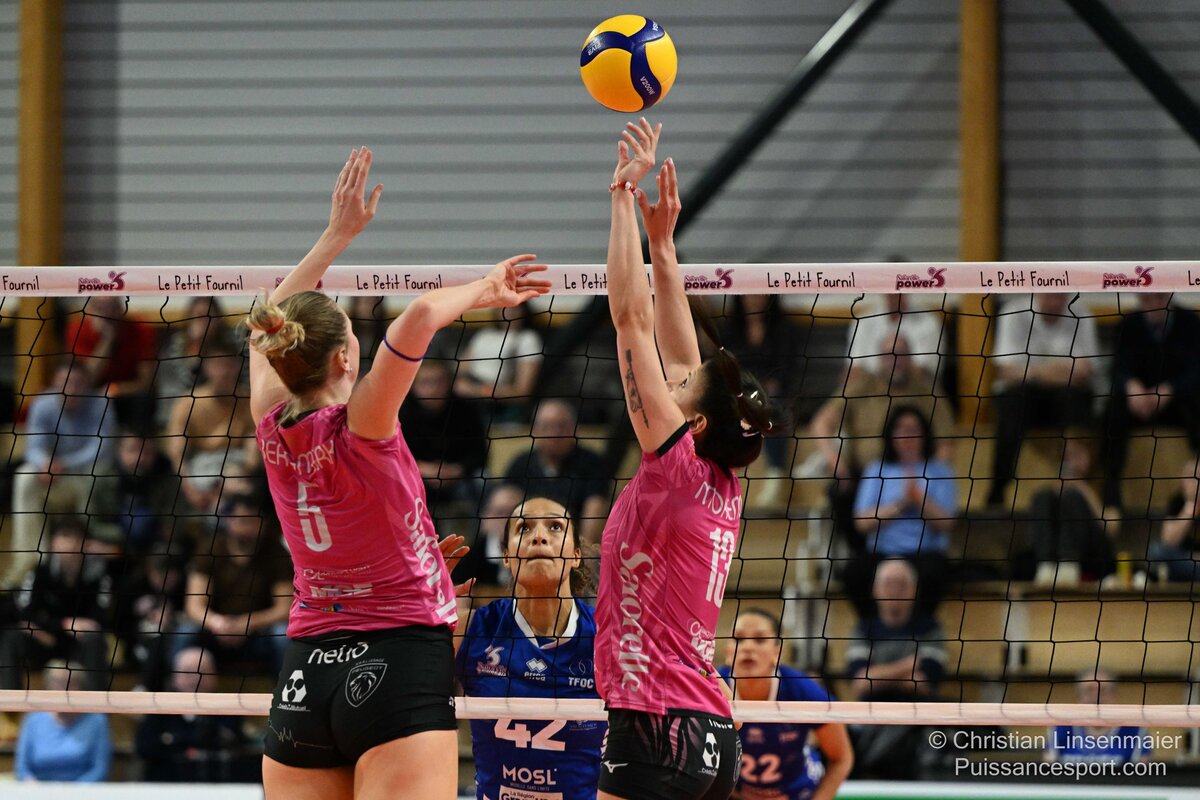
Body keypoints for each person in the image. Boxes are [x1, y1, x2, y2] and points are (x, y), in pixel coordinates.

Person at [245, 146, 550, 800]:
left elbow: (260, 332)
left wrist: (335, 237)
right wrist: (489, 288)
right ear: (345, 359)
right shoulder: (364, 425)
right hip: (399, 656)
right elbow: (418, 317)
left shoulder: (269, 425)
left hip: (307, 670)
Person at [594, 120, 776, 800]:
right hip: (708, 733)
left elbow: (629, 319)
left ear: (692, 423)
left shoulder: (674, 464)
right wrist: (663, 246)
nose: (673, 376)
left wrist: (621, 196)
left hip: (655, 723)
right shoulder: (719, 478)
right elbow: (676, 348)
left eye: (681, 386)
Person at [456, 498, 604, 800]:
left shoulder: (605, 635)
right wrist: (422, 607)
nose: (539, 536)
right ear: (506, 556)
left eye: (555, 527)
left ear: (576, 555)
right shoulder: (470, 629)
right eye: (524, 528)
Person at [5, 360, 118, 590]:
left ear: (87, 384)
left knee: (98, 478)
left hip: (88, 477)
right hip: (55, 478)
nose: (71, 389)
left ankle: (87, 570)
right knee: (25, 476)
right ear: (55, 383)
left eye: (78, 383)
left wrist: (63, 464)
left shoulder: (101, 404)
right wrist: (45, 464)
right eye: (66, 382)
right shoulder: (42, 404)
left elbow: (101, 449)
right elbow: (32, 448)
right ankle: (31, 566)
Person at [718, 609, 853, 800]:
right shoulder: (712, 689)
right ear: (728, 651)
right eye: (738, 638)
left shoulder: (803, 691)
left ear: (777, 652)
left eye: (759, 639)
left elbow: (841, 758)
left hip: (799, 793)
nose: (747, 647)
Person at [987, 292, 1101, 508]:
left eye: (1059, 296)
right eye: (1048, 296)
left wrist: (1031, 371)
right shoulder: (1014, 313)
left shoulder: (1081, 315)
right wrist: (1061, 370)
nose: (1054, 302)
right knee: (1013, 399)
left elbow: (1085, 372)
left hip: (1065, 399)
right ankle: (998, 489)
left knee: (1074, 398)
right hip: (1022, 400)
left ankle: (1078, 486)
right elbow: (1006, 372)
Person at [846, 405, 958, 617]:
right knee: (855, 573)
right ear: (891, 434)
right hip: (883, 552)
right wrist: (900, 504)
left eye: (913, 429)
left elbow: (947, 523)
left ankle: (922, 629)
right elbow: (861, 522)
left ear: (924, 434)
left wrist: (919, 499)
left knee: (935, 575)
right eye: (901, 429)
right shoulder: (876, 470)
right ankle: (872, 628)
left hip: (925, 554)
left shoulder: (940, 470)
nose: (907, 435)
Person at [844, 559, 946, 780]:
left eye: (901, 584)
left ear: (914, 590)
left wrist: (878, 675)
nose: (894, 590)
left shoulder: (929, 628)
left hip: (917, 718)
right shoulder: (864, 628)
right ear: (875, 589)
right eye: (888, 583)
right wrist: (908, 665)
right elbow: (860, 682)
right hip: (871, 717)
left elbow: (925, 682)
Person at [1102, 292, 1200, 510]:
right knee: (1111, 412)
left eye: (1159, 298)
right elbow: (1118, 367)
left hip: (1177, 402)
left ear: (1169, 296)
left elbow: (1196, 371)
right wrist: (1131, 387)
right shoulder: (1128, 324)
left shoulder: (1190, 323)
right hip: (1138, 404)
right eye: (1147, 299)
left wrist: (1169, 390)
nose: (1154, 305)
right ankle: (1112, 489)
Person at [175, 493, 293, 673]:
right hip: (215, 631)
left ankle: (285, 689)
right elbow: (194, 605)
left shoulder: (276, 553)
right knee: (185, 631)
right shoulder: (210, 549)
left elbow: (284, 609)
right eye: (242, 521)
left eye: (254, 521)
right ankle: (171, 686)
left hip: (258, 633)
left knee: (282, 635)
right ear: (229, 520)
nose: (248, 528)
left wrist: (246, 624)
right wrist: (217, 623)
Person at [0, 515, 114, 691]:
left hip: (79, 644)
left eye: (76, 538)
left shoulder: (98, 574)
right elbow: (25, 613)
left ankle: (98, 703)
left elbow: (102, 617)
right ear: (54, 543)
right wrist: (62, 624)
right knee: (12, 636)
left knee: (96, 639)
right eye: (65, 537)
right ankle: (10, 701)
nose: (71, 544)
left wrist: (79, 627)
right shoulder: (40, 572)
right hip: (46, 640)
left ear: (86, 543)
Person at [136, 646, 258, 782]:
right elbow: (144, 747)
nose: (195, 679)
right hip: (166, 784)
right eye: (188, 672)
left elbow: (235, 745)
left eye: (202, 672)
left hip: (217, 785)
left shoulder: (229, 709)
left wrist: (175, 740)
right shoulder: (158, 710)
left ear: (215, 676)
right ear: (175, 678)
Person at [501, 399, 612, 546]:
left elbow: (595, 509)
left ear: (574, 429)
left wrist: (581, 552)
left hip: (573, 545)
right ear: (535, 430)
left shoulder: (592, 463)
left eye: (561, 426)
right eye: (546, 426)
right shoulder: (521, 464)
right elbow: (504, 506)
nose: (554, 433)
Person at [398, 358, 488, 520]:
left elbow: (480, 453)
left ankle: (478, 535)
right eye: (426, 382)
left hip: (459, 479)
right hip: (416, 478)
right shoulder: (399, 411)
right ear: (413, 385)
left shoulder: (465, 410)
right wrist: (421, 469)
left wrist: (457, 470)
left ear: (449, 382)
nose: (433, 388)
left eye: (439, 381)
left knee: (482, 481)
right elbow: (392, 456)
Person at [1025, 436, 1116, 586]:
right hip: (1055, 554)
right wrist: (1058, 492)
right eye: (1067, 456)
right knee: (1043, 496)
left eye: (1077, 454)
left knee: (1072, 498)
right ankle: (1045, 565)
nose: (1071, 461)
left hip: (1093, 554)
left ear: (1090, 454)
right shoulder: (1059, 485)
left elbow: (1112, 527)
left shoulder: (1105, 484)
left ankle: (1069, 564)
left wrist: (1082, 490)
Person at [64, 294, 159, 428]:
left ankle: (135, 440)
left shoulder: (141, 329)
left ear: (121, 307)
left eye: (112, 307)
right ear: (91, 310)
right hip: (90, 395)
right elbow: (87, 379)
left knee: (143, 400)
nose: (108, 313)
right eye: (101, 308)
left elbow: (145, 382)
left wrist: (116, 389)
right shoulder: (78, 329)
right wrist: (108, 339)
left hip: (128, 396)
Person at [14, 660, 112, 782]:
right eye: (57, 684)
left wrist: (71, 791)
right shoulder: (33, 720)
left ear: (81, 688)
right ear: (48, 687)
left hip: (81, 790)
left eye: (70, 684)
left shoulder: (96, 721)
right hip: (39, 789)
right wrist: (35, 787)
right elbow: (22, 768)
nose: (64, 690)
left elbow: (100, 769)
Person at [454, 301, 544, 425]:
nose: (508, 311)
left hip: (497, 405)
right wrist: (462, 386)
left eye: (514, 307)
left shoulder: (527, 338)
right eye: (504, 306)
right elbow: (460, 372)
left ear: (523, 311)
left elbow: (523, 391)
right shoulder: (484, 335)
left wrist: (480, 391)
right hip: (466, 395)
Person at [1046, 669, 1151, 764]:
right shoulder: (1060, 728)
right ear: (1079, 696)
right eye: (1089, 690)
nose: (1096, 696)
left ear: (1114, 696)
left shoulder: (1135, 731)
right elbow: (1048, 771)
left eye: (1103, 690)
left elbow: (1142, 773)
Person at [1148, 457, 1200, 582]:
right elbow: (1168, 541)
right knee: (1157, 550)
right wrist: (1191, 506)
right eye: (1191, 477)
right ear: (1182, 481)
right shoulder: (1177, 502)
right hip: (1183, 562)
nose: (1196, 482)